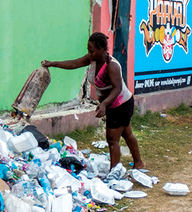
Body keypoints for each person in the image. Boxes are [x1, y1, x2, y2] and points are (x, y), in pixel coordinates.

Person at [42, 32, 145, 169]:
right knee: (126, 133)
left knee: (112, 139)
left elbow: (117, 89)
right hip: (112, 104)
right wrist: (52, 64)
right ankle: (138, 162)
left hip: (121, 104)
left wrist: (103, 104)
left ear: (101, 50)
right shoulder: (93, 59)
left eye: (92, 51)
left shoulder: (112, 66)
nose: (89, 54)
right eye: (88, 50)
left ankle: (114, 173)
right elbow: (73, 64)